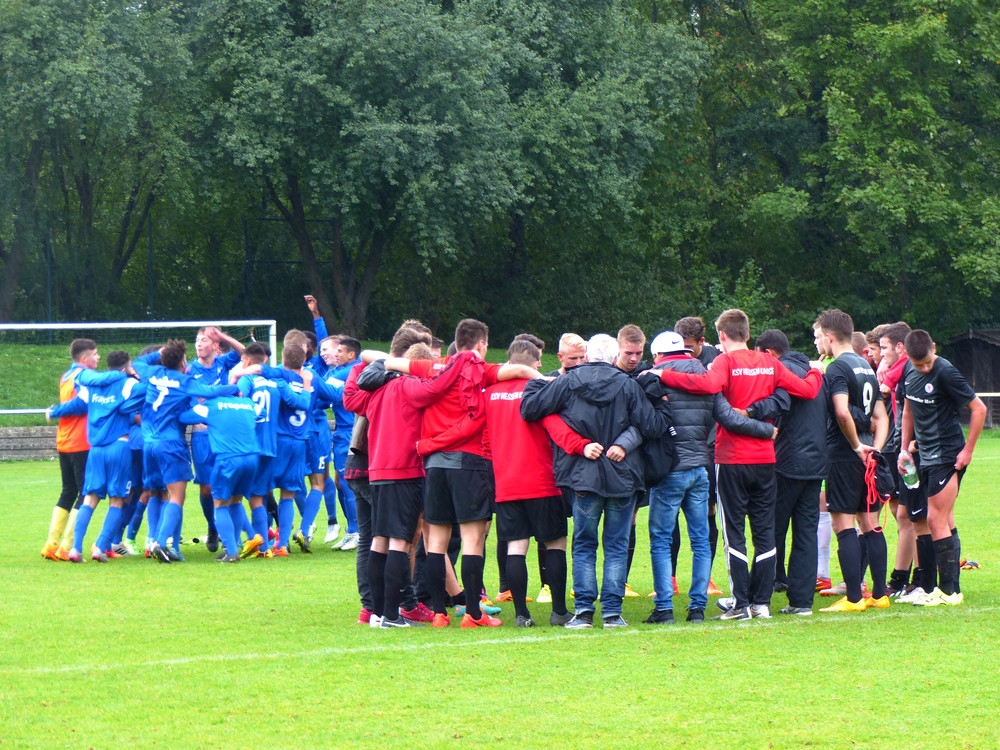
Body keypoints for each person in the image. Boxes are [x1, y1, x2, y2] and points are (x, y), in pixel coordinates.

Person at [650, 309, 823, 621]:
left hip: (730, 458)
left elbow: (705, 386)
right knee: (765, 532)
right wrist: (815, 371)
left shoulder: (724, 362)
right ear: (748, 332)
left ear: (722, 336)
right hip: (766, 460)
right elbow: (808, 390)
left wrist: (664, 375)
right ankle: (762, 603)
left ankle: (740, 604)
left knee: (734, 533)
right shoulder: (771, 363)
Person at [381, 319, 540, 628]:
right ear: (481, 344)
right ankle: (473, 613)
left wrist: (383, 366)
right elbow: (520, 371)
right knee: (472, 539)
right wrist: (547, 381)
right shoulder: (482, 369)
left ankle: (439, 614)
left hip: (434, 464)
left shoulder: (434, 367)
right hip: (469, 462)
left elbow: (383, 360)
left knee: (436, 542)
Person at [521, 333, 667, 629]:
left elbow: (530, 409)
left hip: (583, 475)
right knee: (616, 543)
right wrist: (660, 407)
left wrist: (538, 383)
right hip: (623, 474)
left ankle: (585, 611)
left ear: (586, 356)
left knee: (584, 543)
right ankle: (612, 612)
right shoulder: (628, 385)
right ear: (614, 357)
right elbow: (651, 426)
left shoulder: (567, 382)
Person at [641, 330, 776, 624]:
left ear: (658, 355)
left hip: (669, 469)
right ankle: (697, 607)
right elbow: (728, 417)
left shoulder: (652, 376)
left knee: (661, 539)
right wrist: (765, 430)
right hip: (700, 468)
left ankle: (664, 607)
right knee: (701, 540)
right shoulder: (705, 374)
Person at [485, 339, 595, 627]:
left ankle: (521, 614)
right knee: (555, 543)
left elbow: (484, 437)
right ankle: (559, 611)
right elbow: (557, 429)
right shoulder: (540, 389)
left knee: (515, 547)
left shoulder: (491, 393)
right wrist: (582, 446)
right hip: (542, 481)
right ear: (535, 364)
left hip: (506, 482)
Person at [897, 329, 986, 606]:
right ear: (907, 357)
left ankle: (949, 592)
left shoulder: (945, 372)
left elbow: (979, 409)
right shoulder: (909, 374)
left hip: (947, 455)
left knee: (935, 519)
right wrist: (904, 448)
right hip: (924, 456)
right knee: (941, 519)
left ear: (933, 348)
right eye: (917, 364)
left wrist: (968, 450)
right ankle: (941, 588)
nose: (923, 368)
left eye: (926, 362)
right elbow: (908, 411)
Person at [133, 340, 239, 563]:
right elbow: (210, 391)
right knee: (176, 496)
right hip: (171, 443)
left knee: (155, 492)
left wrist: (158, 354)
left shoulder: (152, 373)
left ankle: (154, 540)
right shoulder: (184, 381)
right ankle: (160, 544)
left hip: (149, 444)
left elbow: (138, 362)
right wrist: (236, 387)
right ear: (183, 362)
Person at [746, 329, 828, 615]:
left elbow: (778, 404)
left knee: (770, 529)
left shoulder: (778, 372)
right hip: (816, 462)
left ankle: (759, 596)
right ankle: (801, 601)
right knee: (806, 532)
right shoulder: (814, 372)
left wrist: (749, 412)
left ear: (768, 353)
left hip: (785, 461)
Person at [813, 310, 890, 614]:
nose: (818, 342)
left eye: (819, 336)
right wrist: (875, 449)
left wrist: (857, 445)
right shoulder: (866, 366)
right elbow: (882, 417)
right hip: (869, 456)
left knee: (843, 523)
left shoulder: (837, 369)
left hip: (845, 456)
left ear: (830, 337)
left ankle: (854, 598)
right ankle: (881, 594)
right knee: (869, 523)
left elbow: (842, 412)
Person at [66, 350, 147, 562]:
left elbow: (78, 395)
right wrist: (137, 376)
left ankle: (75, 548)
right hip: (119, 446)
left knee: (90, 499)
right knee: (118, 500)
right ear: (126, 366)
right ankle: (100, 547)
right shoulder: (128, 383)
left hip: (96, 449)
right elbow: (146, 393)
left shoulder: (94, 383)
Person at [180, 393, 259, 562]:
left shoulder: (212, 405)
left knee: (220, 504)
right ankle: (235, 546)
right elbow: (262, 413)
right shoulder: (247, 403)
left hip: (228, 459)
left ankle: (231, 551)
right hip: (251, 458)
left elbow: (184, 417)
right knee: (236, 501)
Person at [187, 327, 246, 553]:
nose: (199, 344)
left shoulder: (223, 363)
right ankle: (212, 526)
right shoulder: (190, 369)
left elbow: (243, 351)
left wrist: (221, 337)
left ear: (213, 345)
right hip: (202, 434)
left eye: (204, 340)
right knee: (206, 489)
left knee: (227, 488)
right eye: (197, 340)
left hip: (223, 433)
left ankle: (229, 537)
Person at [42, 339, 99, 561]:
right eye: (95, 354)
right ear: (84, 359)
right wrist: (56, 411)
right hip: (80, 442)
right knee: (86, 493)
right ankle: (67, 545)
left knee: (68, 491)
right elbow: (82, 404)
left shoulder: (65, 376)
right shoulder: (82, 377)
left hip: (64, 441)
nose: (98, 358)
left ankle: (51, 543)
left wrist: (56, 410)